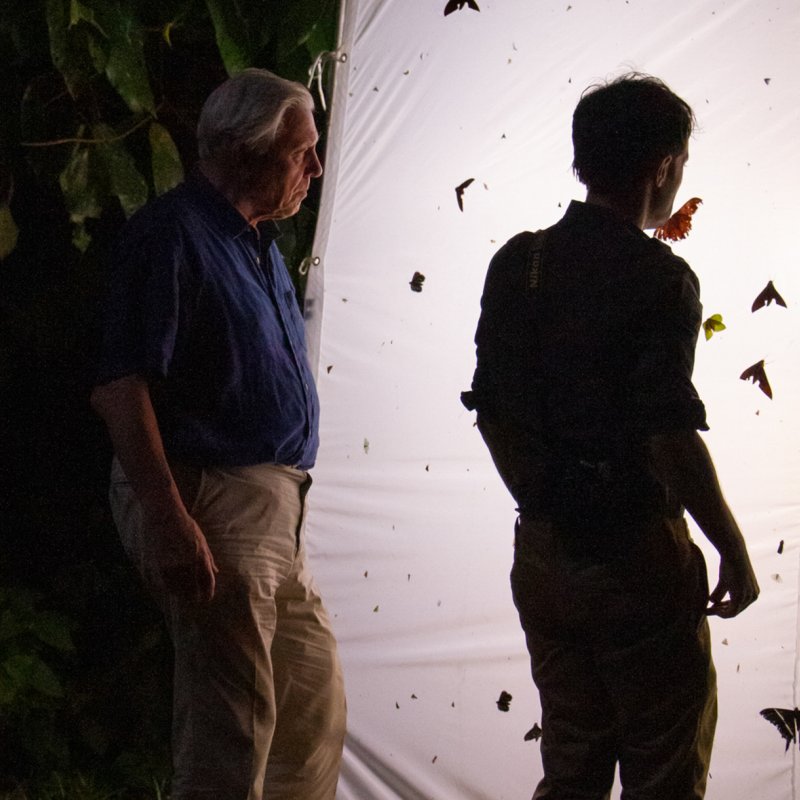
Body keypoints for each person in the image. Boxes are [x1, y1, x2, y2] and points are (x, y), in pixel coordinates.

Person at [462, 73, 759, 800]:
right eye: (679, 166)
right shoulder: (661, 280)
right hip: (637, 564)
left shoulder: (517, 262)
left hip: (543, 557)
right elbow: (668, 432)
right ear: (662, 167)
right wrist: (731, 546)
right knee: (665, 769)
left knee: (571, 763)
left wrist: (544, 497)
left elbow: (490, 409)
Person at [91, 69, 346, 800]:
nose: (315, 169)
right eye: (302, 153)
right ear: (243, 150)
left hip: (273, 510)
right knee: (230, 729)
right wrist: (168, 517)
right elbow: (120, 386)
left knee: (311, 715)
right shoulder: (173, 234)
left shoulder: (256, 244)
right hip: (212, 494)